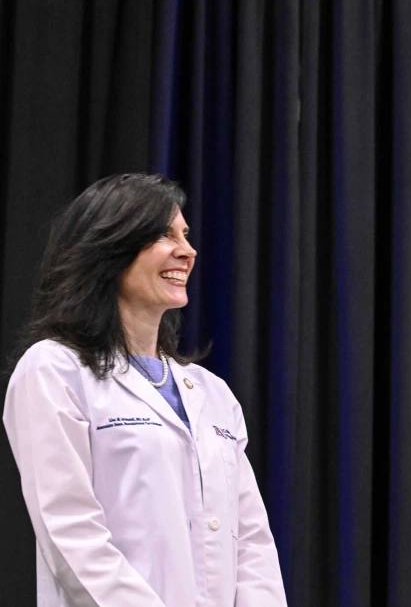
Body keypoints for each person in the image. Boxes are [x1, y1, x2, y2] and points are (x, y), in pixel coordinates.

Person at [3, 173, 287, 607]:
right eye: (162, 234)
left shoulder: (213, 394)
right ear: (108, 249)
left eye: (185, 235)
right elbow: (72, 534)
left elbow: (251, 542)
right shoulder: (53, 369)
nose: (187, 251)